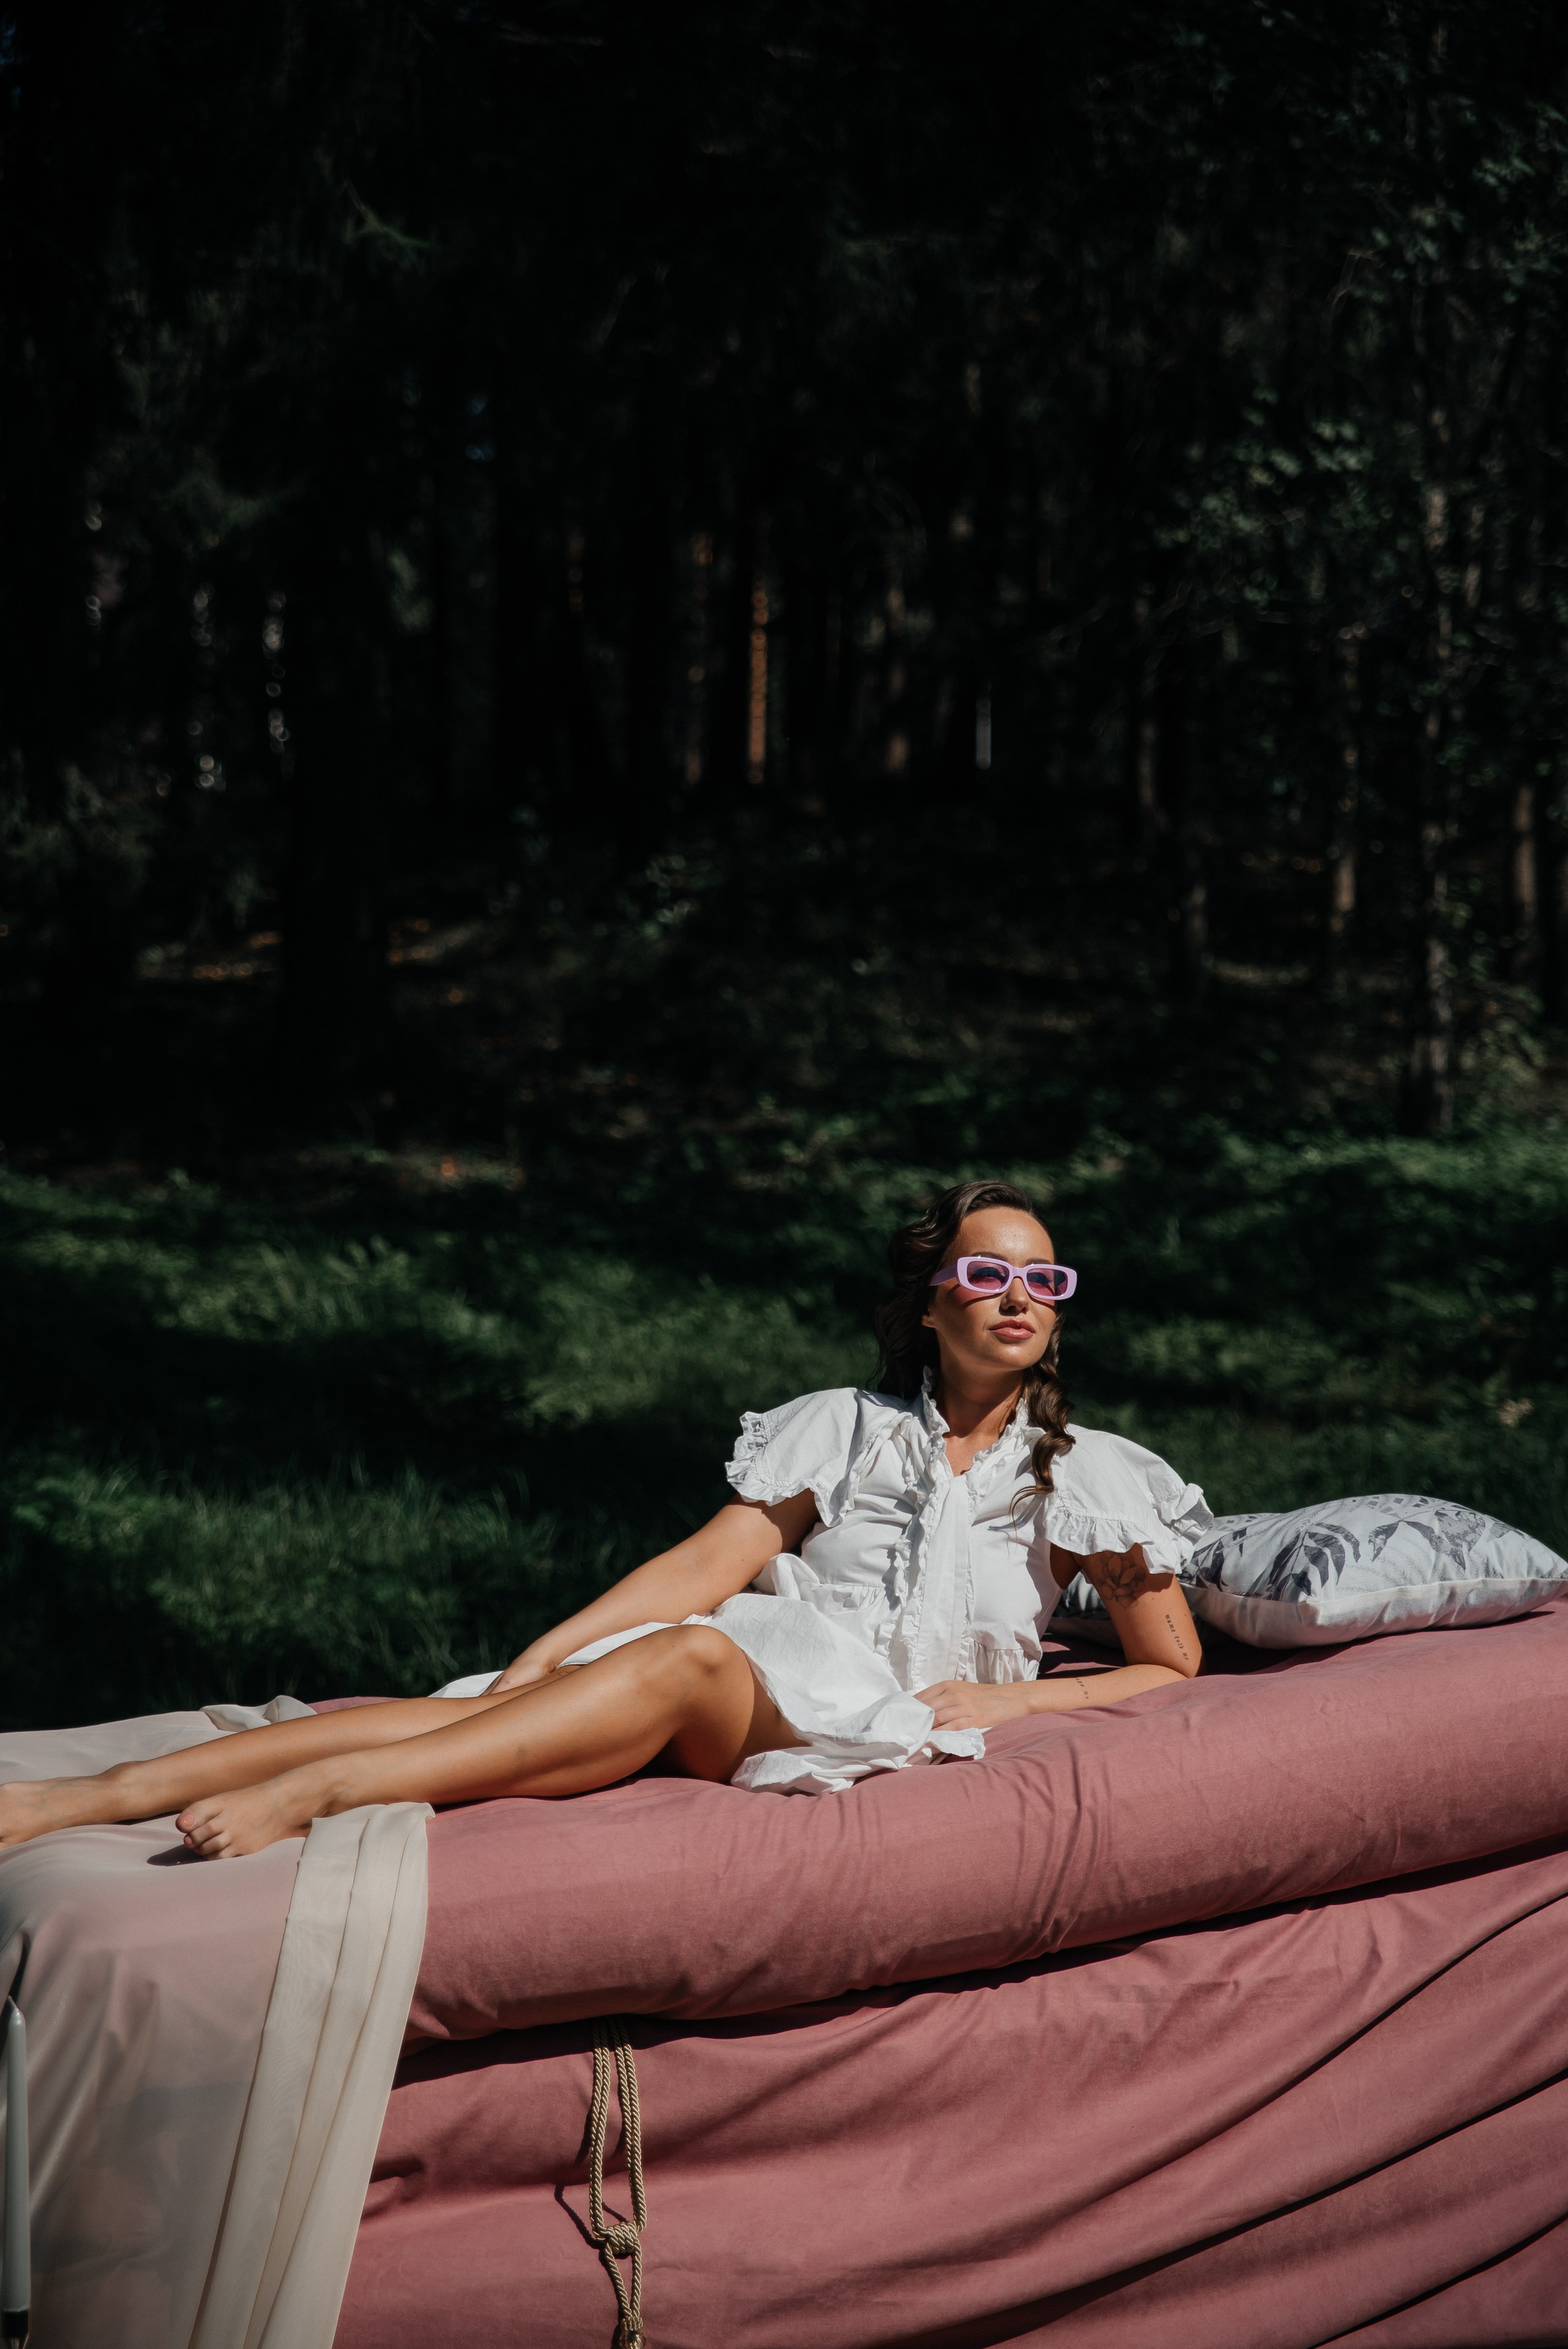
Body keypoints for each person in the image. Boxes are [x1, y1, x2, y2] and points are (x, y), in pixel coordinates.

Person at [0, 1180, 1208, 1859]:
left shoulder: (1085, 1470)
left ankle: (327, 1794)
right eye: (985, 1271)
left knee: (686, 1654)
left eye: (1042, 1280)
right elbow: (708, 1559)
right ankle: (84, 1795)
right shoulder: (839, 1424)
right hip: (766, 1668)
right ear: (925, 1297)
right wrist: (548, 1645)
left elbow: (1167, 1665)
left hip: (867, 1714)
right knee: (481, 1700)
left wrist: (1014, 1698)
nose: (1017, 1297)